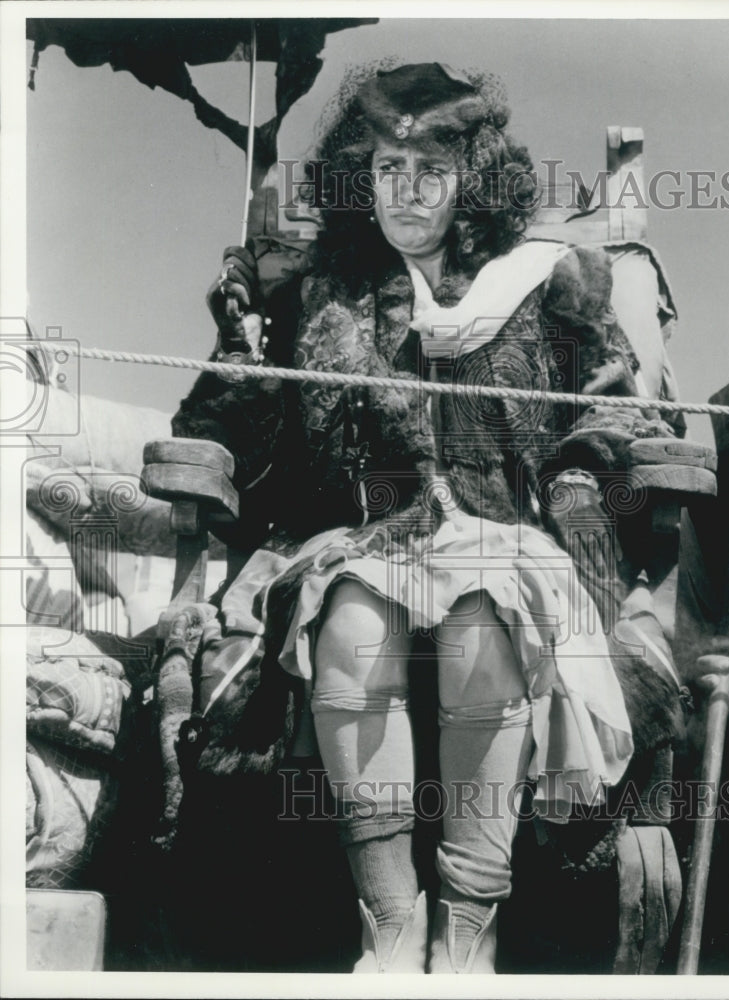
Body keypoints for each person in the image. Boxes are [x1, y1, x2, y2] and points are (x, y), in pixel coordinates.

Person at [172, 62, 683, 973]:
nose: (406, 192)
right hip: (355, 532)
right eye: (384, 169)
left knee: (481, 631)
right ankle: (393, 924)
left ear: (472, 176)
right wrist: (240, 351)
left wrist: (585, 477)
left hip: (506, 533)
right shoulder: (315, 287)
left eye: (430, 171)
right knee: (357, 627)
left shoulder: (550, 286)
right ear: (357, 175)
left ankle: (466, 931)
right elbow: (235, 431)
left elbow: (610, 416)